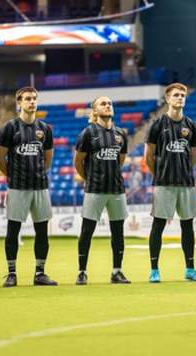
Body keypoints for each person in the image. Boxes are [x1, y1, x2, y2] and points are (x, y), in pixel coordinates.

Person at [0, 86, 57, 287]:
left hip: (40, 187)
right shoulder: (9, 128)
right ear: (19, 102)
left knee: (42, 231)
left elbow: (47, 159)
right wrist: (12, 175)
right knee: (13, 230)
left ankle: (40, 273)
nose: (32, 102)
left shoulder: (45, 129)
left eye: (34, 98)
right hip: (17, 187)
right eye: (27, 99)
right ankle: (11, 273)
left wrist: (38, 173)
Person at [144, 82, 196, 283]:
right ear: (168, 99)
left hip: (185, 184)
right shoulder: (157, 124)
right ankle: (154, 269)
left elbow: (193, 156)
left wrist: (185, 172)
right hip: (164, 183)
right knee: (158, 225)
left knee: (188, 226)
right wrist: (159, 175)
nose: (180, 98)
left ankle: (190, 268)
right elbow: (149, 156)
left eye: (182, 95)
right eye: (176, 95)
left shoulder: (192, 126)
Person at [74, 96, 131, 285]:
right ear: (95, 111)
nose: (108, 106)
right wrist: (89, 178)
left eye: (110, 103)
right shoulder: (88, 133)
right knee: (87, 231)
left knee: (118, 232)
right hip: (94, 189)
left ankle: (117, 271)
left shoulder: (121, 133)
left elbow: (120, 160)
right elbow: (78, 161)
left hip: (116, 189)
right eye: (103, 104)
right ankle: (82, 271)